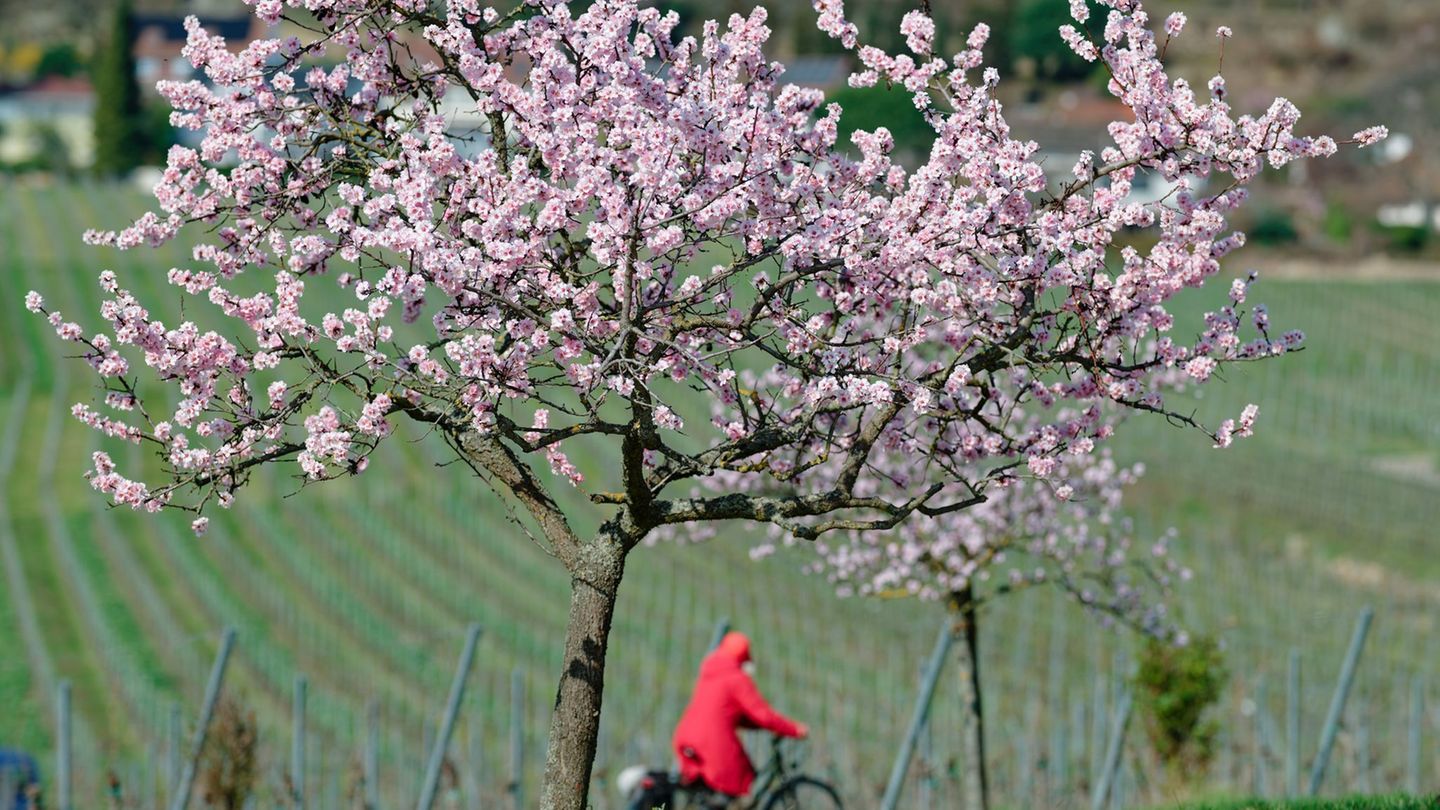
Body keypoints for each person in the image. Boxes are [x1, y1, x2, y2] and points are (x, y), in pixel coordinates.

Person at [671, 632, 807, 804]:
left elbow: (730, 714)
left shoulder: (710, 671)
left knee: (707, 792)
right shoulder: (736, 678)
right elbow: (762, 715)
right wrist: (793, 729)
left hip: (686, 736)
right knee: (738, 778)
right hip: (713, 744)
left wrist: (760, 725)